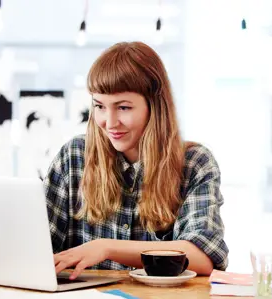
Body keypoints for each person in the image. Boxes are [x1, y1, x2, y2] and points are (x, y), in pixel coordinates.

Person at [44, 41, 229, 280]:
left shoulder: (194, 163)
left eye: (123, 107)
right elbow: (36, 248)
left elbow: (202, 256)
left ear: (154, 107)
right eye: (99, 106)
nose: (109, 123)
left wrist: (106, 248)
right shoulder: (73, 157)